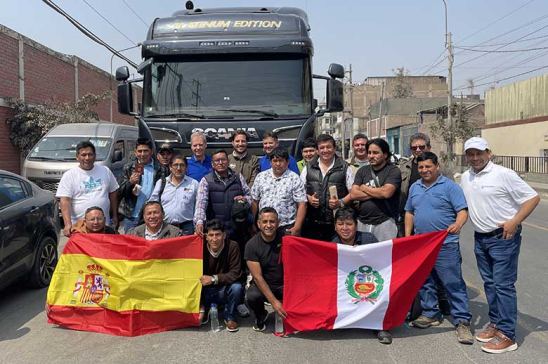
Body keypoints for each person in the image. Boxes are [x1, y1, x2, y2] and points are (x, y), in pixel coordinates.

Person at [461, 137, 540, 354]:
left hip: (503, 238)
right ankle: (495, 323)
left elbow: (532, 198)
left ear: (489, 153)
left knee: (503, 285)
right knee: (490, 283)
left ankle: (508, 335)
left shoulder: (503, 174)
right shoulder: (466, 177)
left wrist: (514, 221)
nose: (475, 158)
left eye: (479, 153)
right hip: (481, 238)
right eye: (471, 154)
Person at [404, 152, 473, 345]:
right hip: (422, 245)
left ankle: (462, 321)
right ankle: (430, 313)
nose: (424, 170)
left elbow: (462, 211)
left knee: (453, 283)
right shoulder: (415, 187)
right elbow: (409, 212)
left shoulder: (450, 187)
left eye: (428, 167)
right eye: (421, 168)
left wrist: (458, 224)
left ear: (437, 166)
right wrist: (409, 237)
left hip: (446, 245)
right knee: (426, 281)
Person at [56, 141, 119, 237]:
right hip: (80, 228)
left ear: (95, 156)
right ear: (77, 157)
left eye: (90, 154)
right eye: (83, 155)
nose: (87, 158)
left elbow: (113, 194)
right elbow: (65, 200)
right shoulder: (69, 175)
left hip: (103, 227)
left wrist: (115, 216)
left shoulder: (105, 171)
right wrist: (67, 224)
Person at [301, 134, 353, 241]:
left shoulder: (344, 167)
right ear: (317, 151)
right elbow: (299, 191)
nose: (325, 150)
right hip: (312, 222)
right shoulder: (308, 167)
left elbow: (353, 193)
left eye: (328, 147)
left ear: (334, 149)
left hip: (337, 223)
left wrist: (340, 202)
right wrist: (309, 198)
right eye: (322, 148)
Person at [347, 138, 401, 242]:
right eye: (369, 153)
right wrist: (378, 192)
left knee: (384, 256)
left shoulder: (393, 171)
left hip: (385, 223)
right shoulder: (362, 171)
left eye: (375, 153)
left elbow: (386, 193)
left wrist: (364, 188)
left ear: (385, 155)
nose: (371, 156)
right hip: (362, 222)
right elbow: (353, 194)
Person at [245, 207, 286, 332]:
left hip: (284, 284)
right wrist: (274, 302)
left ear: (278, 223)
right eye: (265, 222)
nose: (268, 225)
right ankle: (261, 315)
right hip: (264, 283)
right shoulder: (251, 245)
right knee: (252, 296)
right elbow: (257, 277)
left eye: (272, 221)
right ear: (258, 224)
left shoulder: (287, 239)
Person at [194, 150, 252, 238]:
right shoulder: (206, 180)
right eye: (217, 161)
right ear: (212, 164)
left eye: (223, 160)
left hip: (237, 228)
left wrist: (245, 199)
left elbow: (250, 196)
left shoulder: (238, 177)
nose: (220, 163)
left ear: (228, 161)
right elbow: (201, 204)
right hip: (215, 231)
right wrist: (199, 221)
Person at [199, 219, 244, 332]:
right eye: (211, 235)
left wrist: (214, 279)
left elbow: (235, 273)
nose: (214, 239)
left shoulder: (233, 246)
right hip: (206, 289)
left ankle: (230, 316)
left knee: (237, 287)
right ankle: (204, 309)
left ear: (224, 235)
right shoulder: (200, 247)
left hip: (224, 287)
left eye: (218, 235)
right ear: (206, 236)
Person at [251, 147, 307, 235]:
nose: (278, 164)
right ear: (270, 162)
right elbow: (254, 201)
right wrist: (253, 223)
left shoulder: (294, 178)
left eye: (281, 161)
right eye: (275, 161)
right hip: (265, 226)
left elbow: (302, 204)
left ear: (287, 162)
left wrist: (297, 227)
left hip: (287, 227)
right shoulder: (261, 177)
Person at [118, 138, 164, 233]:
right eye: (140, 151)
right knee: (130, 245)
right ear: (135, 152)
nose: (142, 154)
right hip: (132, 216)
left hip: (153, 217)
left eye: (145, 151)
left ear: (151, 152)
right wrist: (130, 183)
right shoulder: (128, 168)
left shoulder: (160, 168)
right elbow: (120, 192)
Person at [149, 154, 199, 235]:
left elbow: (198, 207)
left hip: (187, 227)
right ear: (170, 167)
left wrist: (197, 224)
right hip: (165, 226)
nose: (179, 168)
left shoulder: (194, 184)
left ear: (186, 168)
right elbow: (152, 203)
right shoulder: (161, 183)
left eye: (182, 165)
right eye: (176, 165)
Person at [399, 133, 432, 232]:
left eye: (421, 147)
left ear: (429, 147)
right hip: (408, 216)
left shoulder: (440, 168)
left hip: (431, 218)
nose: (418, 150)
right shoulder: (403, 167)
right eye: (414, 148)